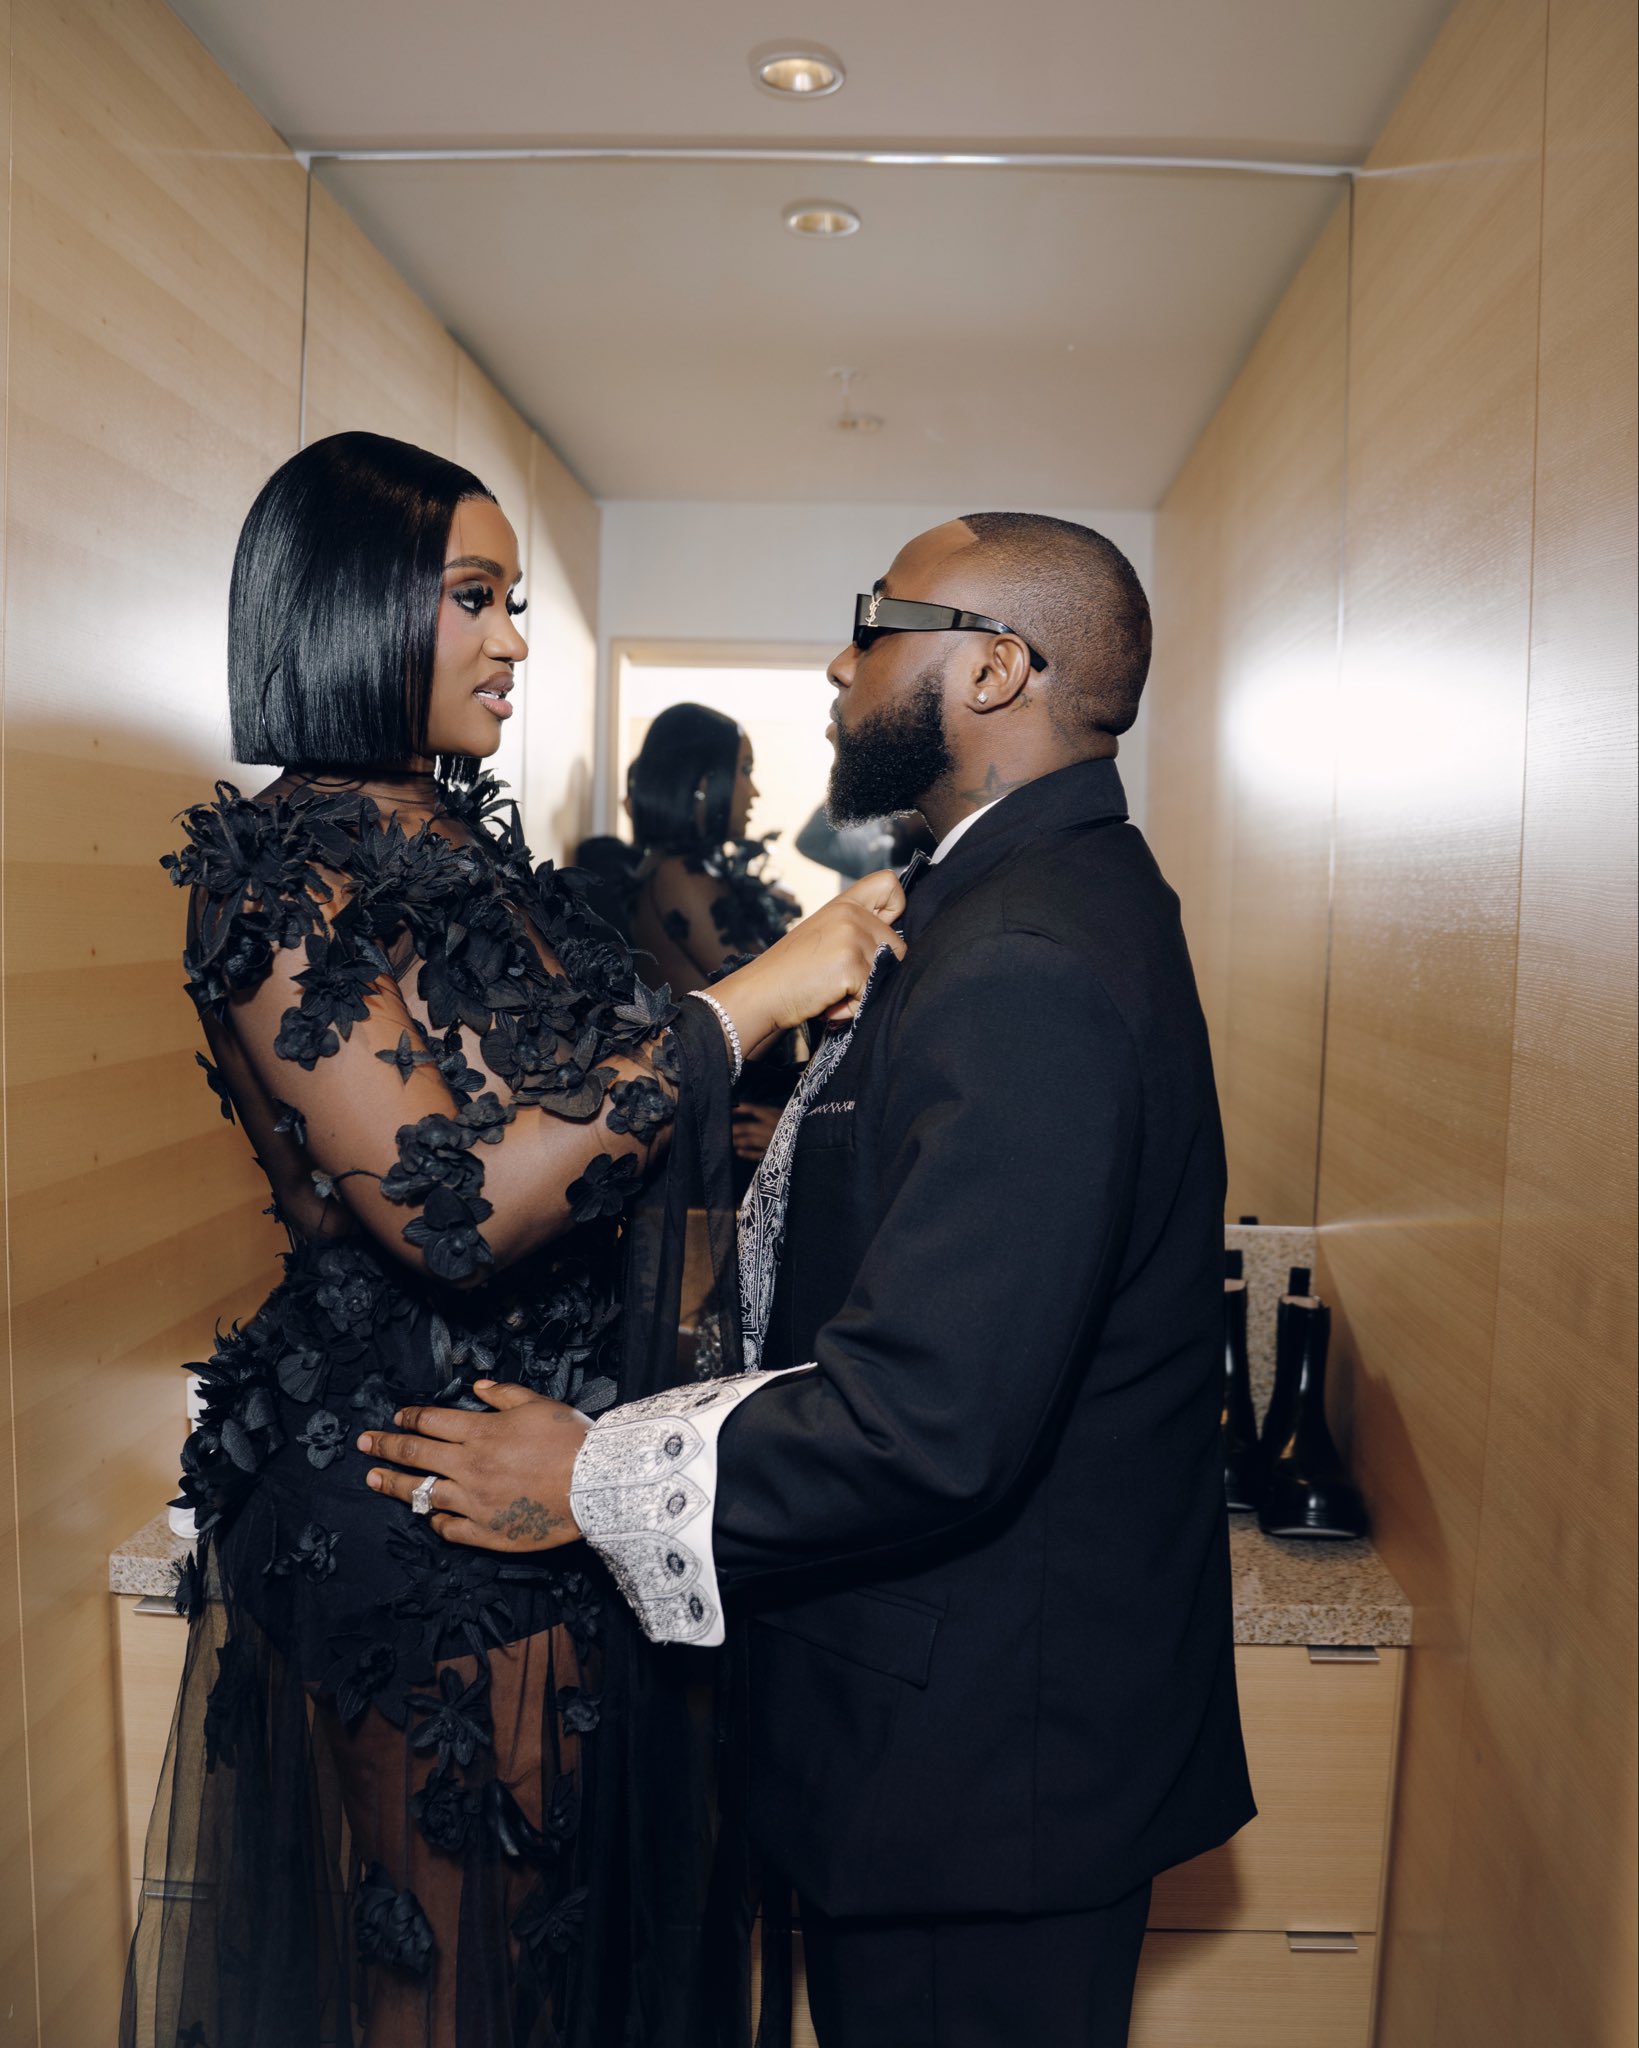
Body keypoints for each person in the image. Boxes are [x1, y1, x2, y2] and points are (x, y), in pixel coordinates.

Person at [360, 511, 1256, 2048]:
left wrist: (591, 1474)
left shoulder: (1025, 957)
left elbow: (925, 1417)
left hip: (980, 1782)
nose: (839, 667)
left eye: (871, 622)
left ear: (992, 669)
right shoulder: (996, 900)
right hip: (948, 1750)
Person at [121, 431, 902, 2048]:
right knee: (453, 1979)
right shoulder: (278, 873)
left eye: (514, 602)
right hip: (416, 1480)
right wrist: (749, 1001)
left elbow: (595, 1130)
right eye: (473, 598)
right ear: (351, 606)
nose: (512, 642)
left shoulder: (465, 847)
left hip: (549, 1462)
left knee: (542, 1965)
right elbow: (450, 1205)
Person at [623, 705, 805, 1185]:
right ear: (704, 782)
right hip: (728, 1125)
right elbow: (772, 992)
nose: (753, 790)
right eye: (744, 770)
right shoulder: (678, 874)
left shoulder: (700, 870)